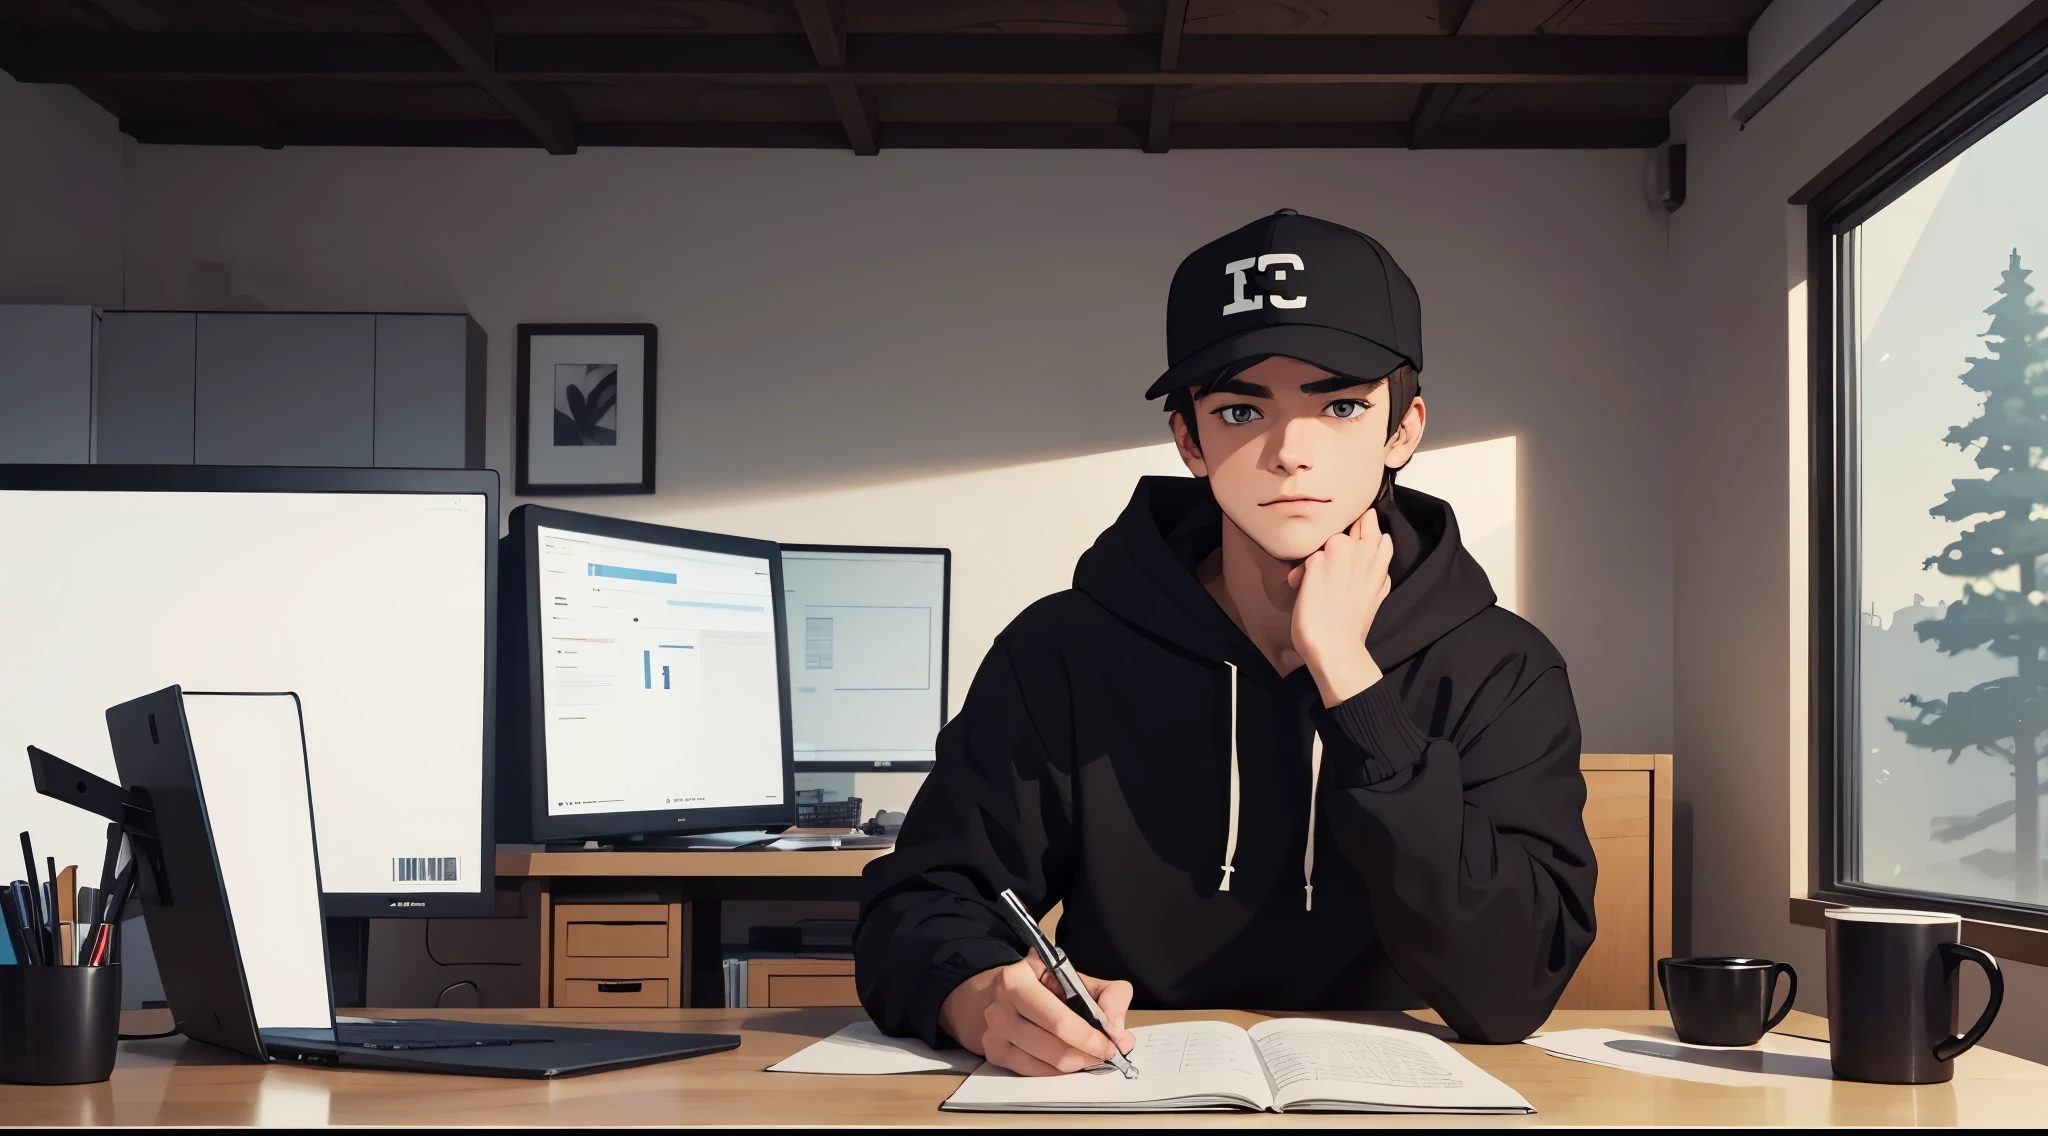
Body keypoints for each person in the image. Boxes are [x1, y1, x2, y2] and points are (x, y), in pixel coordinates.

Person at [854, 210, 1596, 1076]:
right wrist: (977, 997)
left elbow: (1513, 986)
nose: (1289, 452)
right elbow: (925, 899)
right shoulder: (1060, 650)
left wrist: (1353, 685)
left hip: (1396, 1104)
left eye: (1342, 405)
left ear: (1405, 429)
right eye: (1242, 408)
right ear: (1189, 440)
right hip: (1120, 1092)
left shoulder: (1501, 667)